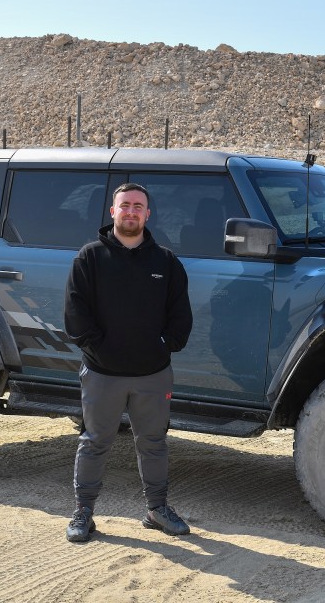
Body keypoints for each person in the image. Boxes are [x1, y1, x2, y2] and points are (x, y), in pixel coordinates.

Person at [63, 182, 193, 543]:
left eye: (138, 206)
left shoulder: (165, 262)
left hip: (152, 374)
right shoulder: (89, 257)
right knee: (94, 441)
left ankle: (156, 509)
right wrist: (99, 349)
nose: (131, 212)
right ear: (113, 212)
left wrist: (163, 347)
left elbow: (180, 316)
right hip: (103, 373)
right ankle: (84, 513)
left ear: (147, 214)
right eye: (125, 206)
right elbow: (75, 314)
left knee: (153, 443)